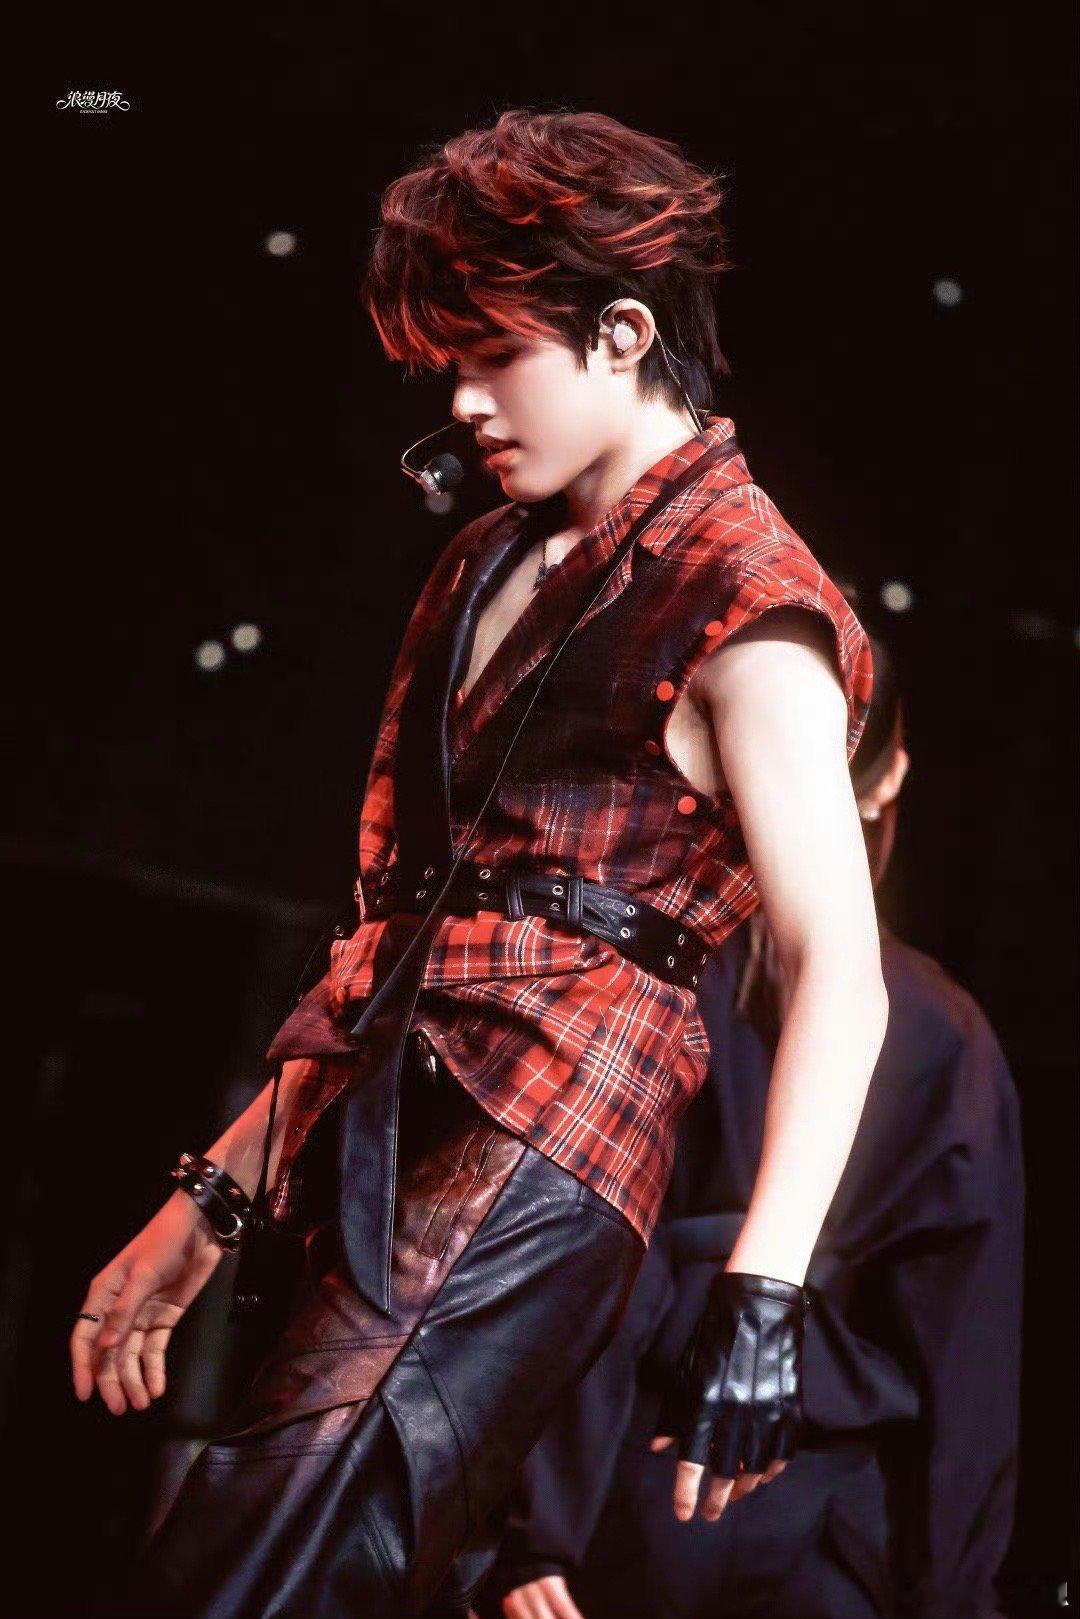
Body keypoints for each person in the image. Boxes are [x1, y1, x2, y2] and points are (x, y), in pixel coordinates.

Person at [69, 108, 887, 1619]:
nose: (462, 400)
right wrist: (214, 1196)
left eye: (495, 354)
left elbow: (838, 961)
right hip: (372, 1136)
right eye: (444, 361)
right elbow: (404, 940)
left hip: (545, 1143)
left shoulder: (749, 598)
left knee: (241, 1577)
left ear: (623, 332)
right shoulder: (489, 557)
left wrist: (765, 1289)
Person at [480, 634, 1024, 1619]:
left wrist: (532, 1527)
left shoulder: (642, 984)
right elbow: (967, 1352)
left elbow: (592, 1259)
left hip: (622, 1501)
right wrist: (951, 1595)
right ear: (888, 775)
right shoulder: (949, 1035)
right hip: (830, 1526)